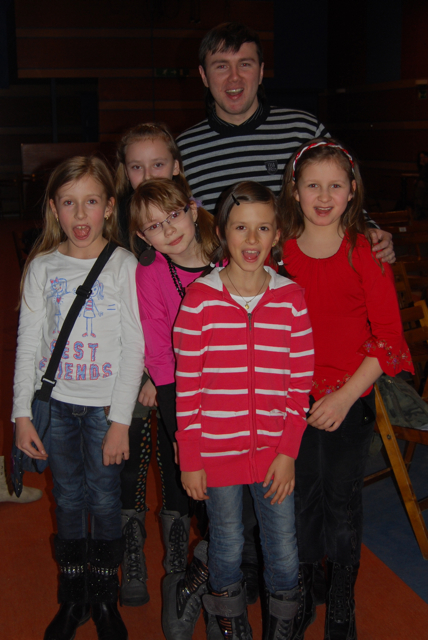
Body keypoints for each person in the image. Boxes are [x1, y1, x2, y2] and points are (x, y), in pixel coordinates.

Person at [278, 139, 413, 640]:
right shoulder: (278, 253)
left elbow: (389, 337)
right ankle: (305, 588)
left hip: (347, 397)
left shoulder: (363, 253)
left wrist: (343, 396)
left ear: (352, 190)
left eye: (335, 185)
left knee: (341, 502)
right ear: (294, 190)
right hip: (289, 400)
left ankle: (340, 598)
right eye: (312, 185)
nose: (323, 196)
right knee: (297, 500)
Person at [173, 181, 315, 640]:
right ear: (221, 232)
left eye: (263, 229)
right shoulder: (199, 300)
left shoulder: (292, 299)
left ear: (277, 234)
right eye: (240, 228)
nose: (252, 240)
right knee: (227, 544)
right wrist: (191, 457)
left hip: (275, 455)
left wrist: (288, 451)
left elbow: (300, 384)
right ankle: (231, 628)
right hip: (216, 454)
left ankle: (282, 630)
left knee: (283, 548)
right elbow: (187, 388)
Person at [12, 156, 145, 640]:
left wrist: (121, 421)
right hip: (58, 407)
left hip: (106, 410)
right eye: (69, 203)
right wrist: (22, 415)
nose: (81, 214)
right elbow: (29, 344)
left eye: (91, 201)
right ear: (54, 209)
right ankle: (74, 597)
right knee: (67, 498)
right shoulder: (43, 267)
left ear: (109, 206)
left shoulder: (124, 265)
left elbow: (134, 346)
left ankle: (104, 597)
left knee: (105, 500)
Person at [176, 22, 395, 263]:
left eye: (245, 64)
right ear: (204, 75)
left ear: (261, 71)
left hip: (301, 276)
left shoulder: (305, 131)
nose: (234, 77)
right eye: (221, 66)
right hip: (222, 280)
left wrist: (370, 229)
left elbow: (341, 193)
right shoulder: (183, 151)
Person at [128, 178, 219, 639]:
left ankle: (214, 576)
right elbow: (160, 357)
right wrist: (181, 428)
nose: (169, 230)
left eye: (174, 215)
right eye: (154, 227)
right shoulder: (151, 274)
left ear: (193, 209)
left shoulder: (227, 252)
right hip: (183, 395)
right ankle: (185, 578)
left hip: (236, 393)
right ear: (142, 237)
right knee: (192, 483)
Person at [114, 122, 193, 607]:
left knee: (175, 457)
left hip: (177, 372)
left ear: (176, 167)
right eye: (137, 167)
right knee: (129, 461)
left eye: (158, 164)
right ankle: (132, 555)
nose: (147, 175)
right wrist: (142, 371)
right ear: (124, 172)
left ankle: (178, 560)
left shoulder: (189, 224)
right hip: (128, 368)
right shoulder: (115, 227)